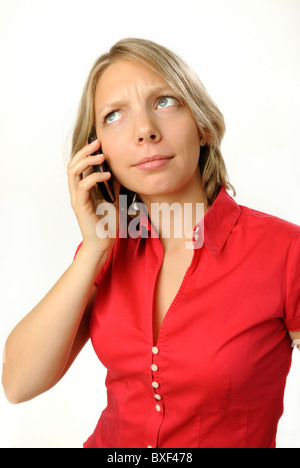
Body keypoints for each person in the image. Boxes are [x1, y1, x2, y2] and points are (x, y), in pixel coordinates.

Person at [2, 38, 300, 449]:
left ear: (202, 124)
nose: (144, 131)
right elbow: (17, 384)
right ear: (97, 152)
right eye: (114, 116)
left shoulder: (286, 252)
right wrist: (92, 250)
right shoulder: (105, 251)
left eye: (164, 102)